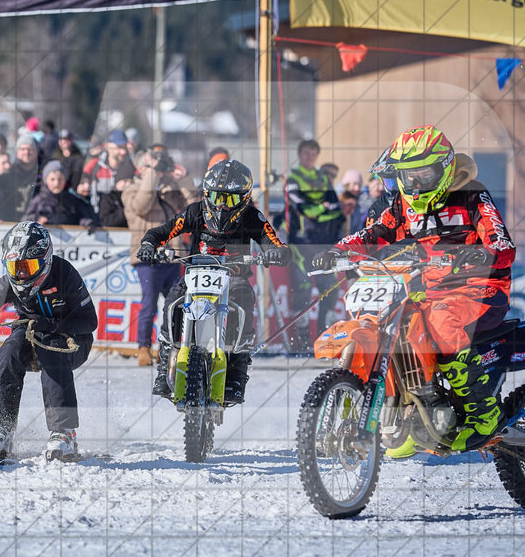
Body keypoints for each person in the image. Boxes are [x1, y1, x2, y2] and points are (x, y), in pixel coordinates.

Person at [313, 125, 516, 453]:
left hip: (479, 287)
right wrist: (340, 250)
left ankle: (484, 416)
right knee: (396, 323)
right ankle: (413, 405)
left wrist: (478, 253)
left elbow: (502, 244)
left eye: (424, 175)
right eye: (409, 177)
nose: (416, 185)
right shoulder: (404, 207)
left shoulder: (472, 195)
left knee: (442, 324)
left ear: (445, 168)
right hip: (428, 288)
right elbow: (376, 232)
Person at [137, 159, 290, 404]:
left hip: (234, 278)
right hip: (194, 276)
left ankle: (238, 371)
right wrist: (148, 245)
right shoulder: (195, 211)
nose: (221, 205)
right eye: (217, 197)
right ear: (207, 194)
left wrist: (277, 253)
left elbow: (275, 242)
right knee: (172, 302)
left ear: (244, 198)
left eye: (229, 199)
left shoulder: (253, 217)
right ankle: (165, 363)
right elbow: (160, 232)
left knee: (245, 299)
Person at [0, 221, 97, 461]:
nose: (21, 273)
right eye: (15, 267)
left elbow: (89, 321)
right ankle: (0, 429)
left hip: (71, 339)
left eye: (28, 266)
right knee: (8, 354)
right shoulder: (9, 282)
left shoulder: (65, 274)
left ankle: (64, 432)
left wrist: (53, 325)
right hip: (30, 332)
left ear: (45, 260)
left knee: (53, 352)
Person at [122, 148, 188, 366]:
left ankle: (169, 347)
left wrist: (183, 178)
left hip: (171, 258)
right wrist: (152, 172)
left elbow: (191, 205)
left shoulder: (169, 189)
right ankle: (143, 347)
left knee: (176, 306)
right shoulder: (130, 190)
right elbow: (143, 205)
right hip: (148, 260)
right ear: (142, 168)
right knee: (149, 305)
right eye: (152, 165)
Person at [285, 138, 343, 350]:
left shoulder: (323, 178)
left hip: (324, 243)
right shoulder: (293, 178)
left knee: (330, 289)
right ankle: (299, 342)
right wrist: (321, 208)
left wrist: (320, 210)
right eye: (306, 154)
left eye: (313, 154)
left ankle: (323, 338)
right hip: (301, 244)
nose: (310, 158)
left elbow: (336, 208)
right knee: (302, 290)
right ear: (300, 155)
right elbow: (301, 207)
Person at [23, 160, 97, 230]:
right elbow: (27, 219)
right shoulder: (38, 200)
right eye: (52, 179)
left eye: (60, 179)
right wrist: (37, 220)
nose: (56, 183)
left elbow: (81, 217)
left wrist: (87, 223)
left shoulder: (72, 200)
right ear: (46, 180)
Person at [80, 129, 134, 214]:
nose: (123, 152)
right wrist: (84, 184)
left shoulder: (132, 166)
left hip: (123, 220)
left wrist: (130, 183)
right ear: (108, 147)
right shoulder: (94, 164)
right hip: (97, 217)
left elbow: (142, 183)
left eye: (125, 147)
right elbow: (82, 179)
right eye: (119, 148)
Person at [8, 134, 42, 220]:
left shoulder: (43, 175)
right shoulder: (8, 174)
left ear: (36, 152)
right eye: (22, 149)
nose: (26, 152)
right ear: (17, 152)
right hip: (10, 221)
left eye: (30, 149)